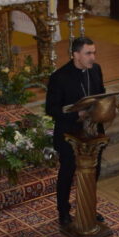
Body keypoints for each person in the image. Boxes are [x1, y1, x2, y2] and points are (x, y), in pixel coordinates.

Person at [46, 36, 105, 226]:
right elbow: (51, 109)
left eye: (94, 52)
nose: (92, 57)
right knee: (67, 173)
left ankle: (88, 207)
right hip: (69, 135)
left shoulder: (95, 70)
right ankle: (63, 211)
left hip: (93, 133)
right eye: (88, 53)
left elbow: (101, 95)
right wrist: (76, 114)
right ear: (75, 55)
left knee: (93, 172)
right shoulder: (59, 77)